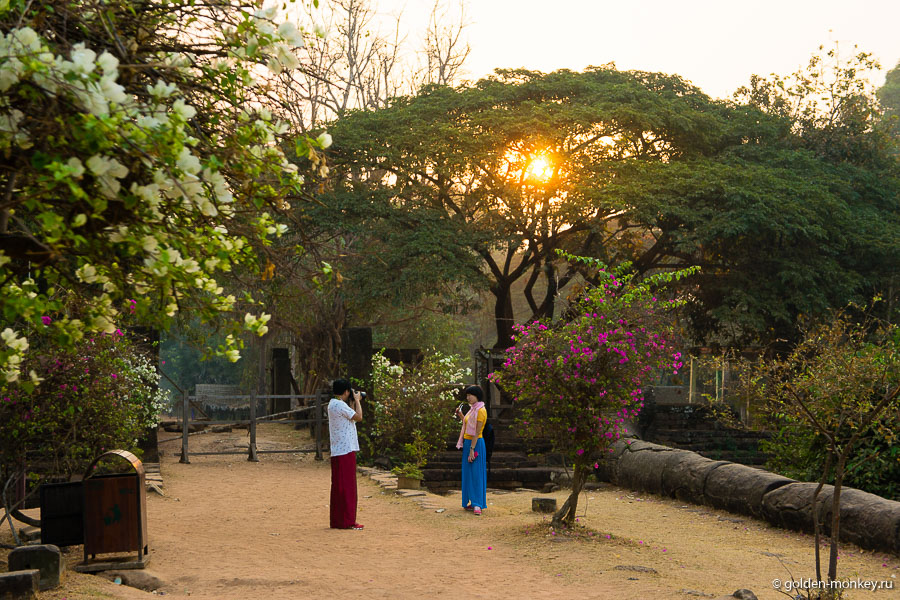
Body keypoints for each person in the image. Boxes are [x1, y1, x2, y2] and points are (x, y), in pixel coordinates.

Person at [328, 379, 364, 530]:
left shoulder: (332, 404)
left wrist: (352, 401)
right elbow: (359, 417)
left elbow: (350, 416)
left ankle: (337, 519)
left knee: (338, 486)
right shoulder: (340, 405)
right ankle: (348, 520)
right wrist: (357, 400)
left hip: (338, 449)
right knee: (348, 487)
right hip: (346, 449)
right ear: (346, 392)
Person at [455, 384, 487, 515]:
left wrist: (472, 450)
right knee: (468, 473)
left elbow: (477, 432)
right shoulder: (472, 409)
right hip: (468, 443)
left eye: (470, 395)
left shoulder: (481, 410)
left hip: (476, 443)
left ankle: (478, 504)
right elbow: (468, 424)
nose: (468, 398)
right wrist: (461, 415)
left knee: (476, 473)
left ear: (477, 396)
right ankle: (471, 501)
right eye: (467, 395)